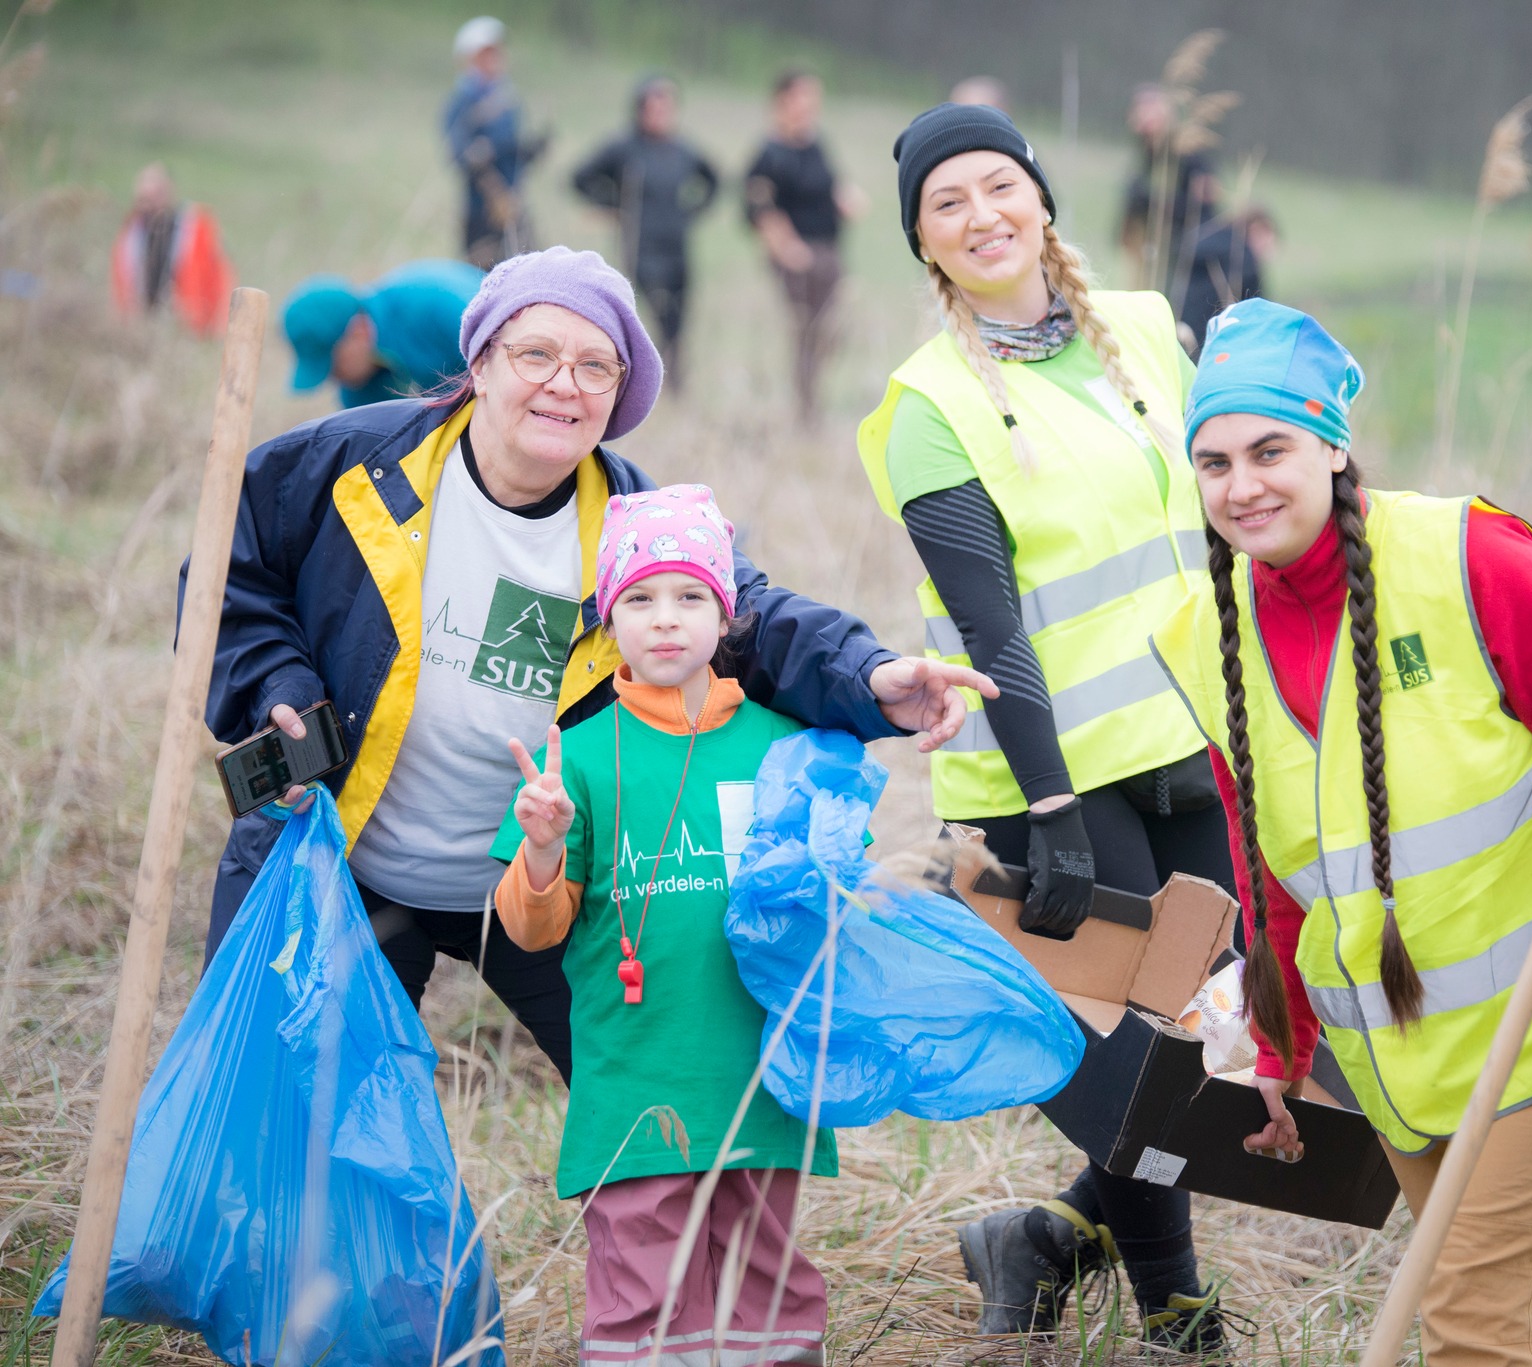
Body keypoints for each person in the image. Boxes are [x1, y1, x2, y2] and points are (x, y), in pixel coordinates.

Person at [191, 245, 994, 1086]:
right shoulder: (350, 467)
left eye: (595, 367)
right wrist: (277, 688)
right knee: (298, 1116)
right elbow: (226, 575)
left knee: (653, 1103)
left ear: (617, 395)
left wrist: (869, 676)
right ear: (480, 362)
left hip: (545, 877)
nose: (564, 384)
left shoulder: (636, 526)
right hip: (343, 865)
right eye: (536, 354)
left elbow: (755, 622)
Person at [1149, 299, 1532, 1367]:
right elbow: (1269, 875)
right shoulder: (1202, 635)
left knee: (1468, 1327)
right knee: (1507, 1325)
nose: (1241, 484)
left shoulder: (1468, 559)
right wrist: (1278, 1041)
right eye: (1213, 461)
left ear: (1331, 444)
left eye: (1270, 448)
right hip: (1395, 1067)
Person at [855, 103, 1236, 1355]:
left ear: (1040, 198)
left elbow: (1216, 517)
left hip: (1189, 744)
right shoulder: (928, 403)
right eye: (945, 204)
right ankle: (1180, 1312)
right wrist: (1054, 808)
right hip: (1051, 771)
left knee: (1213, 1031)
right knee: (1134, 1054)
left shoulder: (1141, 327)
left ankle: (1043, 1238)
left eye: (995, 186)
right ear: (923, 242)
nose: (980, 217)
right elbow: (989, 626)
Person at [493, 484, 831, 1367]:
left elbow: (833, 897)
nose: (666, 620)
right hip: (636, 1079)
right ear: (609, 620)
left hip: (761, 1074)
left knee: (770, 1289)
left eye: (690, 597)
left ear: (725, 615)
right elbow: (532, 930)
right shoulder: (577, 756)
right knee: (645, 1297)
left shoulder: (782, 746)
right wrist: (542, 848)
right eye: (638, 598)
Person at [571, 76, 720, 384]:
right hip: (640, 245)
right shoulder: (623, 147)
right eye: (653, 107)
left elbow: (714, 179)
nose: (660, 114)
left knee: (677, 319)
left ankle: (674, 380)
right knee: (647, 312)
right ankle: (635, 377)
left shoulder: (682, 149)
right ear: (639, 110)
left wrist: (691, 212)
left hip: (676, 245)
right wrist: (615, 205)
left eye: (666, 107)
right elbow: (580, 178)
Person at [744, 70, 864, 424]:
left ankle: (813, 398)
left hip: (829, 249)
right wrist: (786, 247)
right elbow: (758, 207)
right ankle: (806, 408)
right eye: (802, 97)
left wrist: (844, 197)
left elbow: (828, 184)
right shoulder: (770, 152)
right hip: (796, 256)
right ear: (782, 102)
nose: (810, 105)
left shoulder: (815, 144)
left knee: (834, 328)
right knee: (809, 330)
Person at [281, 259, 485, 408]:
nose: (334, 380)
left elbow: (501, 363)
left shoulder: (438, 307)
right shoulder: (357, 392)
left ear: (358, 332)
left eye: (335, 367)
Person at [444, 16, 546, 268]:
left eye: (497, 51)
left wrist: (529, 151)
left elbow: (511, 149)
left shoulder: (507, 97)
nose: (495, 58)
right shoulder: (464, 99)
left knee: (526, 268)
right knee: (481, 271)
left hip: (513, 200)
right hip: (483, 206)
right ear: (471, 58)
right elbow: (458, 153)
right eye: (486, 53)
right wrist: (480, 156)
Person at [1118, 83, 1220, 302]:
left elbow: (1205, 205)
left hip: (1185, 249)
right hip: (1152, 249)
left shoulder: (1188, 153)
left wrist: (1153, 201)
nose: (1144, 121)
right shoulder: (1147, 153)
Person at [108, 162, 233, 335]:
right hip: (141, 326)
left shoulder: (195, 227)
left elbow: (220, 276)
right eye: (144, 198)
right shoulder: (130, 234)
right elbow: (121, 281)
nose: (150, 204)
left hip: (189, 327)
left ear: (169, 192)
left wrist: (213, 323)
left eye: (156, 194)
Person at [1173, 205, 1275, 352]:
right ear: (1256, 229)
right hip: (1216, 340)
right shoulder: (1244, 260)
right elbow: (1259, 311)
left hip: (1188, 328)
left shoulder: (1207, 240)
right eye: (1266, 243)